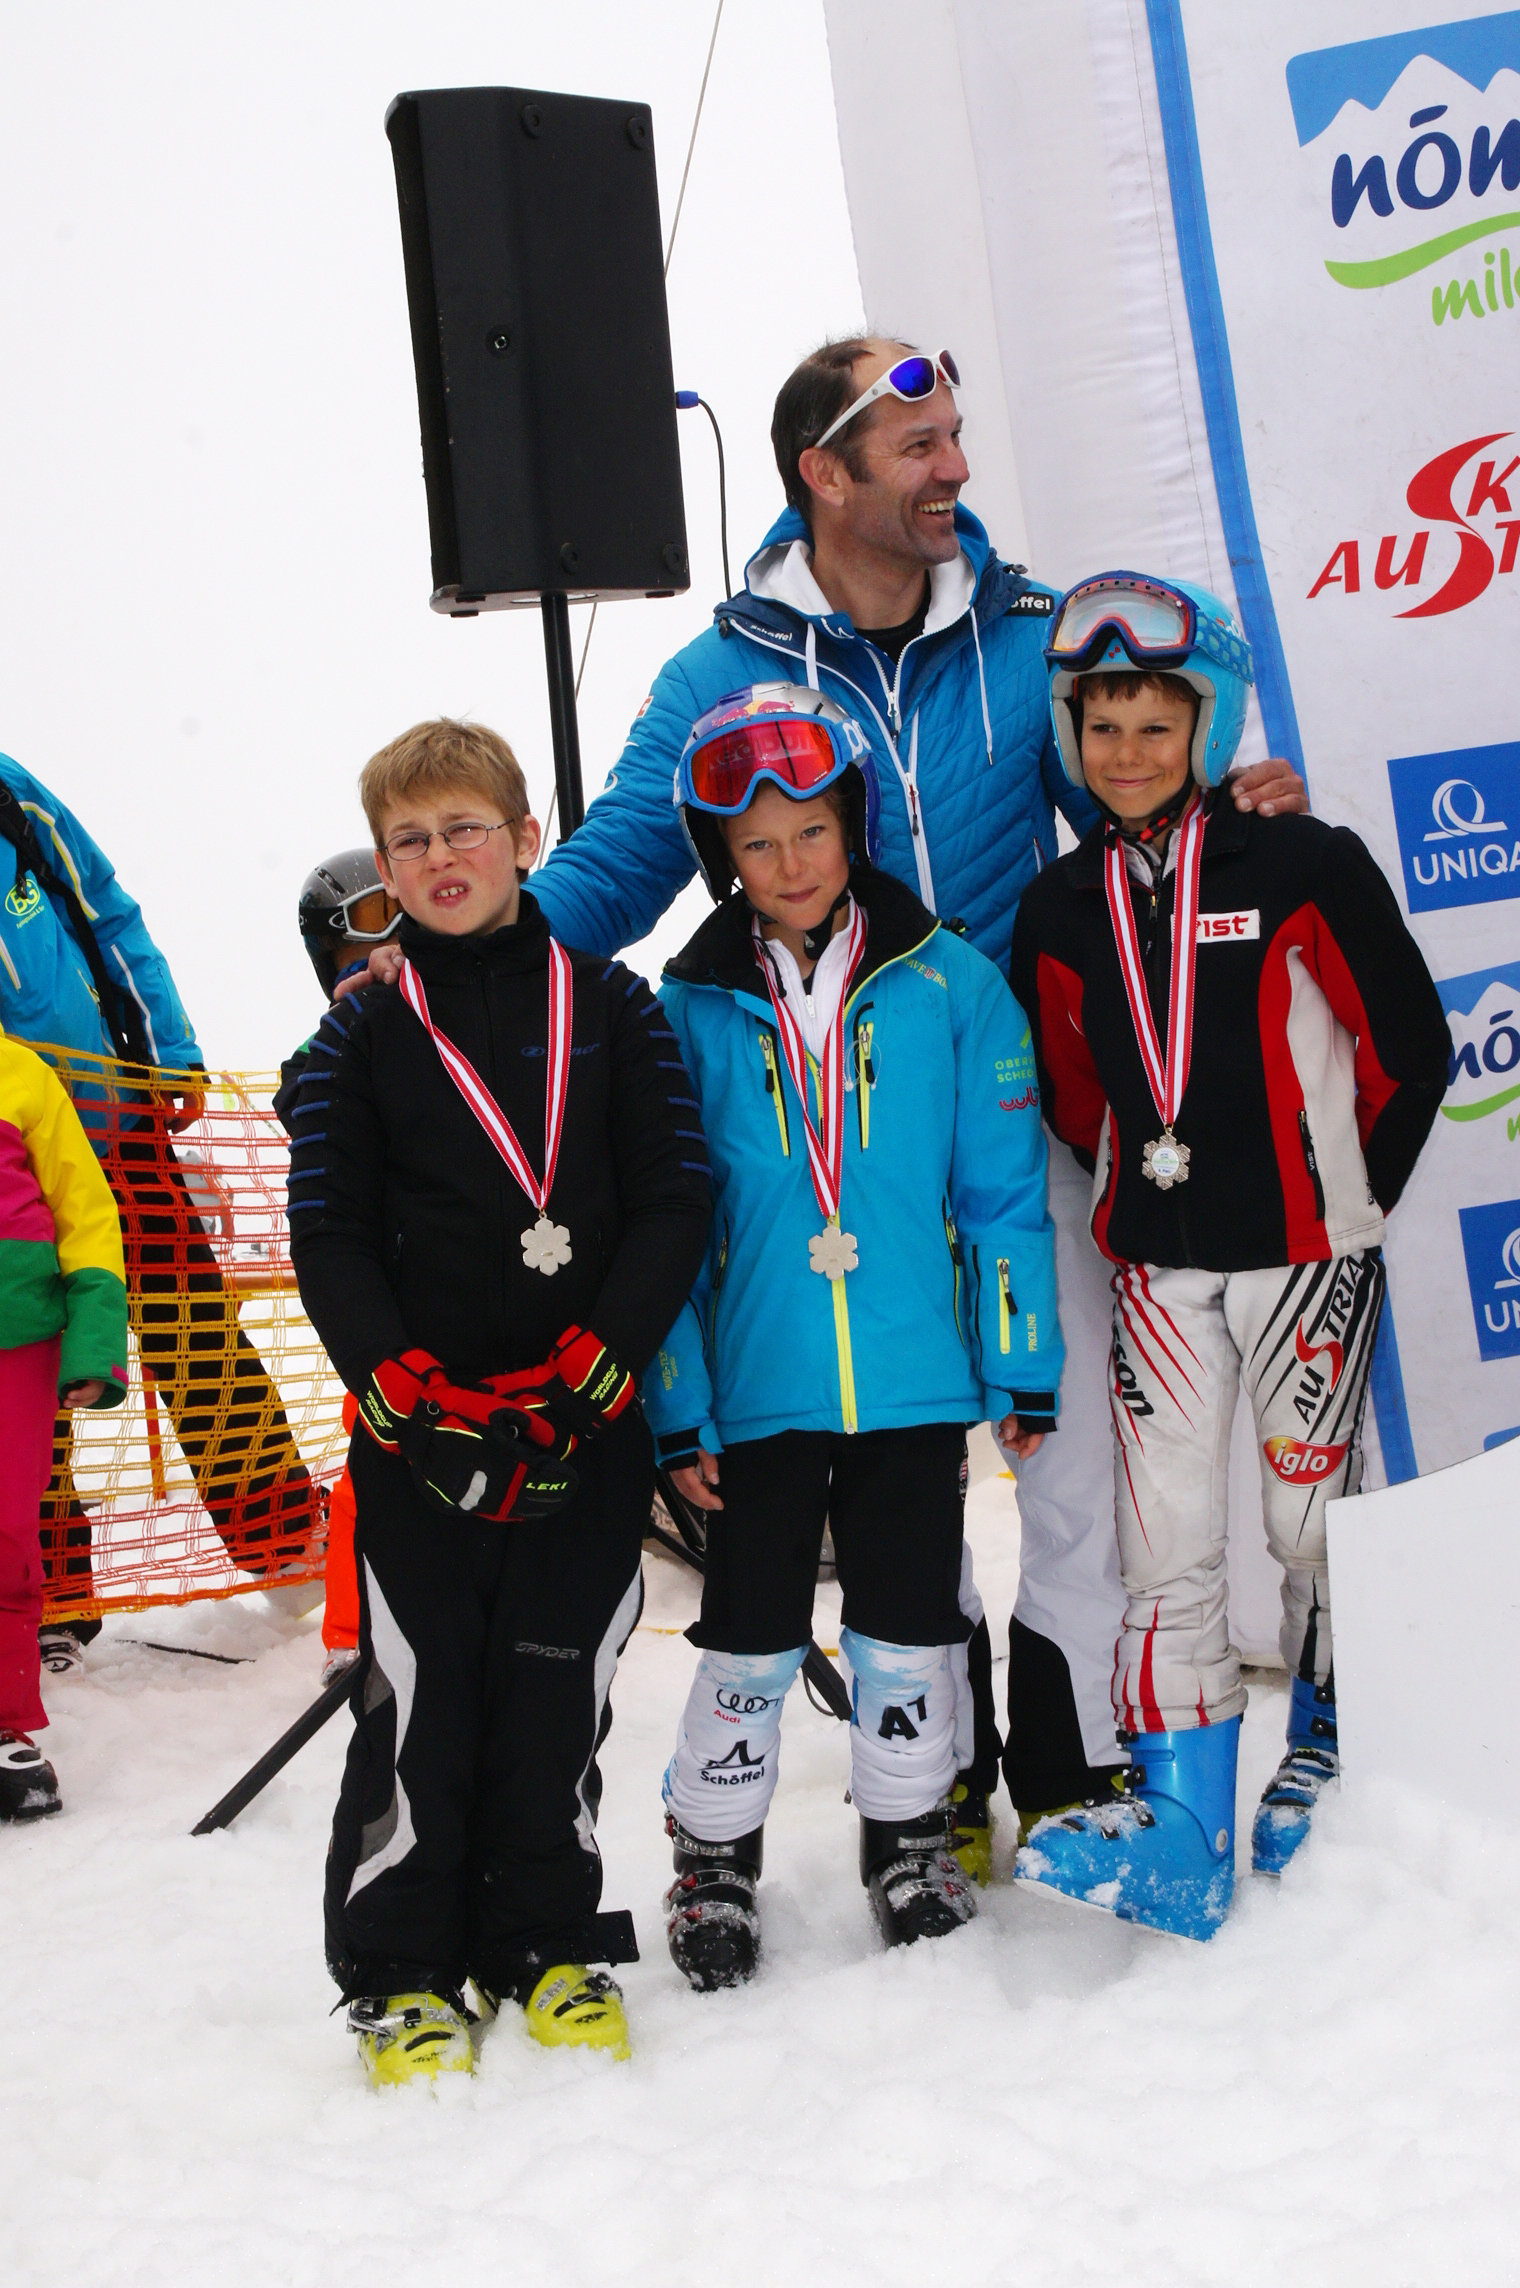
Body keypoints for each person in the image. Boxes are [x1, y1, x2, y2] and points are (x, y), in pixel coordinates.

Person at [514, 337, 1307, 1842]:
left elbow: (1126, 802)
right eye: (919, 448)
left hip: (1021, 1112)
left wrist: (1233, 804)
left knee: (1064, 1449)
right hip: (837, 1137)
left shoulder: (1024, 631)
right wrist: (464, 967)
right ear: (824, 475)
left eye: (953, 437)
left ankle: (1069, 1758)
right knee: (901, 1481)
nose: (955, 469)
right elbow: (619, 860)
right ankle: (927, 1780)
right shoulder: (721, 671)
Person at [1007, 574, 1448, 1938]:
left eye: (1156, 724)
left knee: (1310, 1518)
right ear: (1069, 736)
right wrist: (1142, 1192)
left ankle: (1330, 1739)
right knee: (1164, 1539)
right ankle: (1183, 1814)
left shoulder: (1300, 860)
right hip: (1156, 1268)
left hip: (1306, 1251)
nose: (1126, 752)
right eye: (1101, 727)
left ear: (1210, 723)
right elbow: (1074, 1094)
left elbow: (1410, 1050)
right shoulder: (1058, 905)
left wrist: (1340, 1198)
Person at [286, 718, 710, 2084]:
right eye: (408, 840)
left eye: (464, 827)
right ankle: (402, 1966)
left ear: (526, 839)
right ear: (385, 872)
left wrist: (598, 1371)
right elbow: (329, 1232)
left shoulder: (616, 1004)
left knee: (554, 1687)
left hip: (580, 1426)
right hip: (423, 1438)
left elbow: (676, 1196)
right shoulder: (359, 1031)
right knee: (421, 1696)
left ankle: (545, 1938)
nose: (439, 856)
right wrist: (398, 1390)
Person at [644, 684, 1062, 1986]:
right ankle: (713, 1856)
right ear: (723, 856)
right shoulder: (687, 1007)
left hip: (911, 1376)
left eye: (811, 831)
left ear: (853, 825)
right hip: (758, 1382)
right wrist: (676, 1400)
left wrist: (1019, 1364)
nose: (789, 864)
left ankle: (909, 1836)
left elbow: (1001, 1196)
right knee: (748, 1634)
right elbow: (666, 1227)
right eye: (757, 843)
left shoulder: (951, 983)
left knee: (905, 1627)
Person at [0, 753, 321, 1667]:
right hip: (9, 1157)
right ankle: (48, 1600)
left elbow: (106, 912)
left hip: (114, 1124)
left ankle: (286, 1544)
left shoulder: (10, 796)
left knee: (195, 1332)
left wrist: (166, 1049)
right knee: (23, 1366)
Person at [277, 850, 404, 1684]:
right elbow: (299, 1098)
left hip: (476, 1275)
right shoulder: (333, 1042)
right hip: (387, 1297)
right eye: (361, 943)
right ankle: (355, 1635)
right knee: (377, 1465)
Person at [0, 1030, 128, 1820]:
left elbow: (86, 1215)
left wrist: (93, 1341)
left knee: (5, 1529)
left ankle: (3, 1718)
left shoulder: (21, 1073)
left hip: (15, 1343)